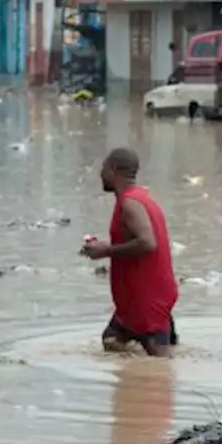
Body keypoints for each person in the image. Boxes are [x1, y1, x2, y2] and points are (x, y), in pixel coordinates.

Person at [80, 148, 179, 357]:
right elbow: (138, 239)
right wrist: (104, 246)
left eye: (103, 168)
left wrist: (106, 250)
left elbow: (148, 242)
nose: (100, 174)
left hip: (146, 298)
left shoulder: (129, 203)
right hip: (136, 299)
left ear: (113, 170)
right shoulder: (140, 198)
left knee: (161, 364)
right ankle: (132, 379)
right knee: (111, 340)